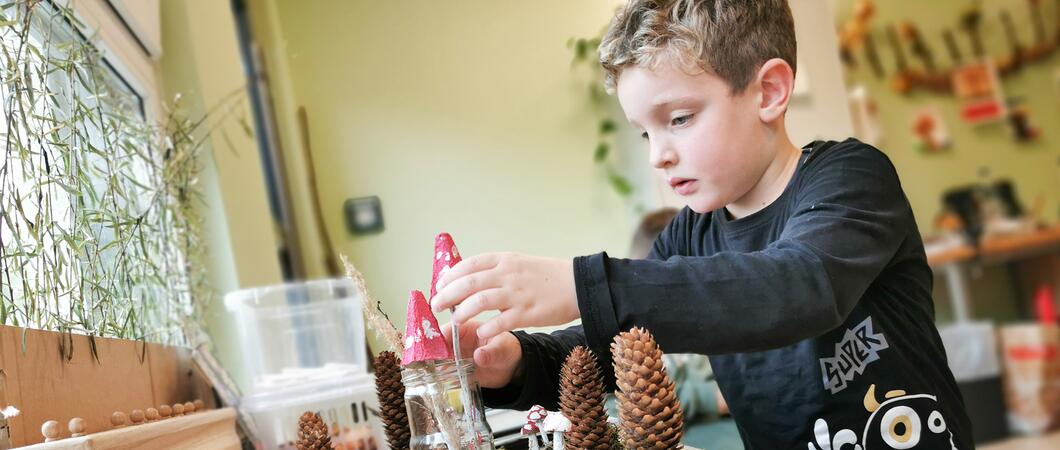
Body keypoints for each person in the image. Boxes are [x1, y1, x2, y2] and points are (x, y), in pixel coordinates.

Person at [432, 1, 972, 448]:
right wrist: (515, 364)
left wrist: (581, 283)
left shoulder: (850, 176)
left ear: (768, 92)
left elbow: (801, 286)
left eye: (680, 119)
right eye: (646, 133)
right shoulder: (690, 235)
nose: (658, 157)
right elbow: (607, 341)